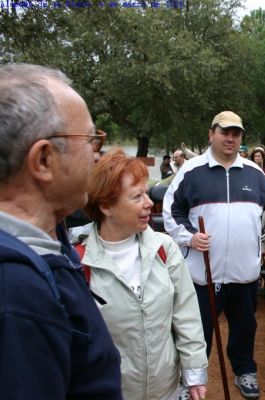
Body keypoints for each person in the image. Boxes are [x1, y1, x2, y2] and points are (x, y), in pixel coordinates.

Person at [162, 111, 265, 399]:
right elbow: (171, 212)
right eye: (224, 132)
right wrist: (189, 236)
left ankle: (244, 372)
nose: (230, 138)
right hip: (202, 274)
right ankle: (190, 381)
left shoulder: (253, 173)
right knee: (196, 332)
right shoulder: (191, 171)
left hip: (244, 274)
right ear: (210, 134)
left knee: (244, 328)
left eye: (236, 133)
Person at [0, 63, 122, 398]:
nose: (98, 156)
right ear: (43, 160)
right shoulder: (15, 296)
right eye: (90, 140)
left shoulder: (49, 243)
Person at [75, 149, 209, 400]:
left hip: (166, 391)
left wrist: (193, 373)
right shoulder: (79, 261)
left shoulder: (164, 248)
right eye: (137, 196)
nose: (149, 203)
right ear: (106, 206)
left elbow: (186, 314)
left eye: (147, 192)